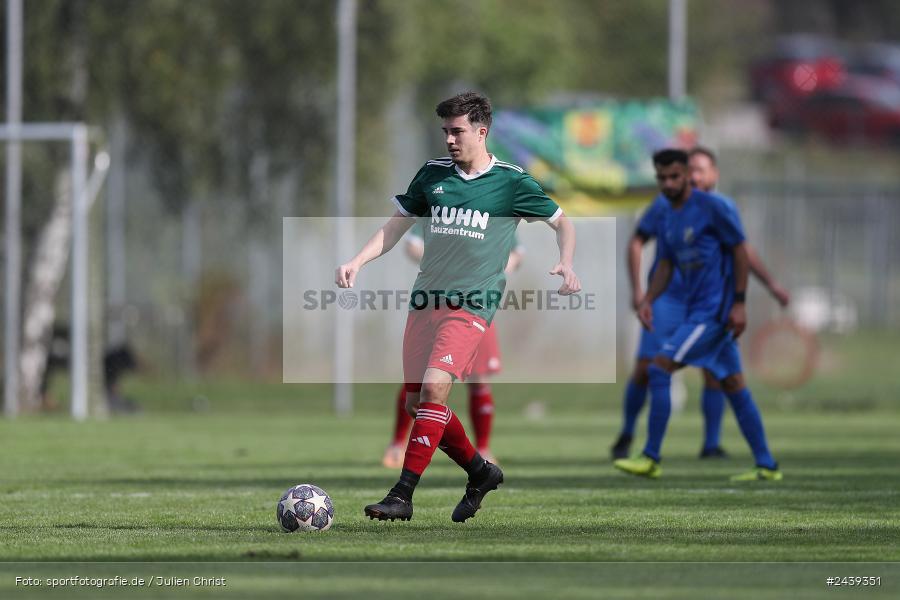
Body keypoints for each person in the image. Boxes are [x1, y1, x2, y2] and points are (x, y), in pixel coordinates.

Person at [336, 91, 580, 522]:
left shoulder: (511, 182)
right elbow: (395, 229)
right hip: (423, 303)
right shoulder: (431, 176)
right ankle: (480, 471)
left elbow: (562, 221)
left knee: (433, 390)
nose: (449, 139)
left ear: (481, 132)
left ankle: (402, 495)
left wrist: (566, 261)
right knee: (418, 405)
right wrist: (357, 260)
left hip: (472, 307)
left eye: (457, 131)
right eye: (445, 131)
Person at [610, 146, 791, 460]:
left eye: (699, 169)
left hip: (710, 308)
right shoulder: (667, 209)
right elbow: (648, 248)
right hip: (668, 299)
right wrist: (643, 294)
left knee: (701, 372)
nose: (693, 175)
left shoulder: (718, 207)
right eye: (688, 169)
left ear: (713, 174)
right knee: (648, 367)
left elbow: (742, 251)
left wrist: (758, 291)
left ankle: (700, 446)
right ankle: (628, 434)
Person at [382, 222, 523, 469]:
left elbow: (517, 252)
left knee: (479, 378)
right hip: (437, 300)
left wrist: (494, 266)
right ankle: (397, 445)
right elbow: (412, 244)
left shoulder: (497, 205)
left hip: (478, 304)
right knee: (419, 381)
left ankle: (484, 449)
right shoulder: (442, 198)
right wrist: (446, 261)